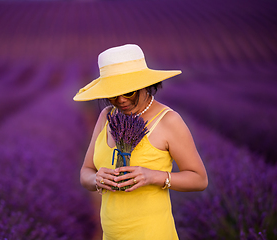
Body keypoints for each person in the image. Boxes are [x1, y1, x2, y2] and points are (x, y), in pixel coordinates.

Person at [73, 44, 208, 240]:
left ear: (144, 85)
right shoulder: (106, 116)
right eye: (112, 94)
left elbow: (199, 179)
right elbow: (85, 172)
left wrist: (152, 176)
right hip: (112, 234)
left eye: (129, 92)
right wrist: (97, 179)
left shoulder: (168, 121)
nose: (121, 100)